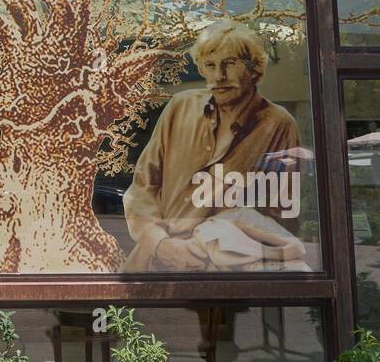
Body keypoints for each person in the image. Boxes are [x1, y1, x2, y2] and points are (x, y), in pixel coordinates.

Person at [122, 20, 306, 272]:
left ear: (254, 69)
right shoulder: (180, 106)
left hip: (224, 261)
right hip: (156, 255)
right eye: (210, 65)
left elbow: (283, 212)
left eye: (230, 64)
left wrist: (223, 239)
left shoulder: (278, 123)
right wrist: (159, 243)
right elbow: (143, 185)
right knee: (121, 311)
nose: (219, 76)